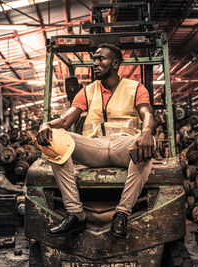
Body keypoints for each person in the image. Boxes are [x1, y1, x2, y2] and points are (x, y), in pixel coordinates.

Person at [36, 43, 155, 238]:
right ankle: (75, 213)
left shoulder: (136, 88)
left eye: (101, 59)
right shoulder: (87, 91)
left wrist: (146, 132)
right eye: (94, 59)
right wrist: (47, 125)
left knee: (147, 145)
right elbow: (66, 120)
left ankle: (122, 213)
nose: (95, 63)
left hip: (123, 147)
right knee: (54, 139)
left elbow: (147, 113)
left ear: (115, 63)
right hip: (95, 148)